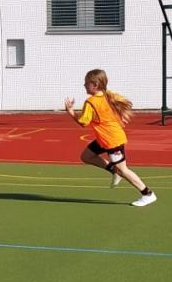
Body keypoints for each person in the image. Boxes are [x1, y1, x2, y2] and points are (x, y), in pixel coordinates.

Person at [64, 69, 156, 208]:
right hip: (104, 139)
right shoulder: (109, 95)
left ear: (95, 85)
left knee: (123, 170)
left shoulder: (91, 102)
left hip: (112, 141)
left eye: (86, 83)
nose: (84, 85)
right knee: (86, 156)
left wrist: (71, 112)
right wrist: (121, 115)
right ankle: (113, 170)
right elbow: (126, 103)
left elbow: (83, 122)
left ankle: (147, 194)